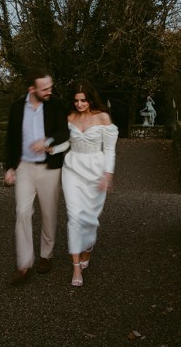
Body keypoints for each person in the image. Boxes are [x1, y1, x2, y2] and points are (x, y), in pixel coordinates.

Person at [48, 80, 119, 287]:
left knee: (91, 219)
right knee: (74, 217)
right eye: (76, 101)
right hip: (72, 169)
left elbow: (110, 150)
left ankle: (87, 249)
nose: (79, 104)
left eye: (83, 100)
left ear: (90, 100)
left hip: (96, 171)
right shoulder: (69, 117)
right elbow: (67, 143)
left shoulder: (103, 117)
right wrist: (51, 149)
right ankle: (76, 266)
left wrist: (108, 174)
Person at [4, 68, 70, 286]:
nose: (49, 91)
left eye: (50, 87)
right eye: (45, 88)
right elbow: (11, 138)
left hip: (49, 168)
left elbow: (65, 132)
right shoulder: (16, 107)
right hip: (24, 167)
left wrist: (47, 141)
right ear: (31, 88)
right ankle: (24, 265)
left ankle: (46, 255)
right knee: (22, 212)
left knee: (49, 214)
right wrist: (9, 167)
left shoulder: (57, 104)